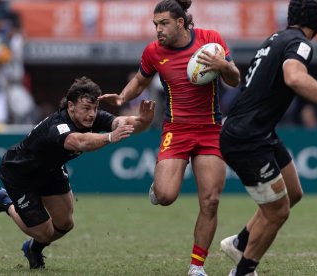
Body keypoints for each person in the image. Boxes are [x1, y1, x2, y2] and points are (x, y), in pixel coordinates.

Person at [218, 1, 317, 275]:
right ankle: (243, 271)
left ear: (290, 17)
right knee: (278, 211)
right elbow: (295, 78)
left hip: (258, 131)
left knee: (292, 193)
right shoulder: (300, 43)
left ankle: (240, 242)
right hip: (247, 138)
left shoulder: (276, 38)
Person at [100, 0, 240, 275]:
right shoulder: (154, 52)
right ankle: (158, 188)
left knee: (210, 200)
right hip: (176, 130)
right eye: (155, 25)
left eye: (163, 23)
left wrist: (223, 65)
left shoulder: (211, 40)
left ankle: (196, 267)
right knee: (165, 196)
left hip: (211, 129)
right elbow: (141, 80)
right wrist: (123, 96)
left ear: (180, 22)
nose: (158, 30)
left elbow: (235, 80)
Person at [0, 76, 155, 269]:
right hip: (20, 173)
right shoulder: (58, 124)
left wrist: (143, 121)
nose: (91, 114)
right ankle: (5, 201)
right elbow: (78, 142)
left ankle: (33, 249)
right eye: (86, 108)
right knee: (44, 232)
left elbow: (123, 122)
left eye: (94, 108)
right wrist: (109, 137)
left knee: (65, 223)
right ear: (71, 106)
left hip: (50, 171)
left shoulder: (91, 117)